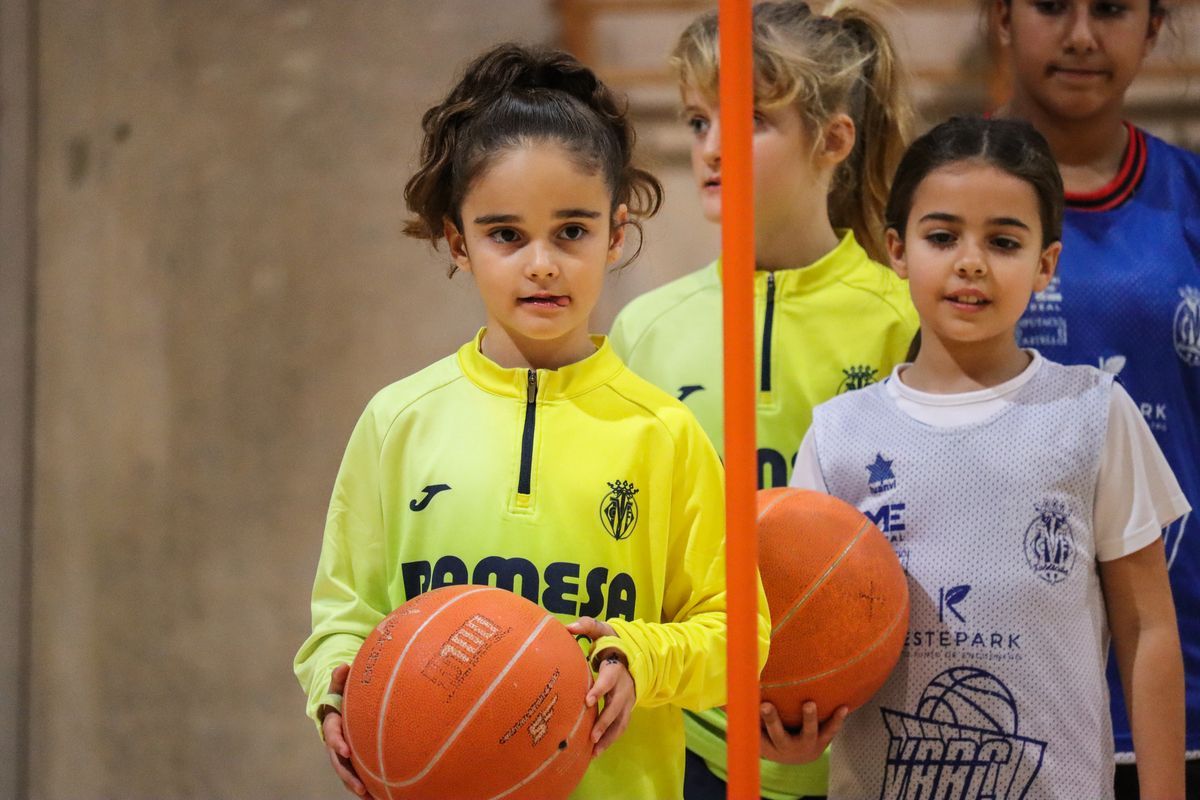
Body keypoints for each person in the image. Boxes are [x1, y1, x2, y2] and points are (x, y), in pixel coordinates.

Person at [293, 43, 770, 800]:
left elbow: (739, 638)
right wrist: (334, 685)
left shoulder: (663, 433)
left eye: (571, 232)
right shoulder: (398, 422)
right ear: (458, 241)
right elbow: (344, 615)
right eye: (507, 235)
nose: (542, 263)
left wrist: (642, 657)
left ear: (615, 235)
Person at [780, 116, 1185, 798]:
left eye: (1003, 241)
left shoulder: (1094, 414)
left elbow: (1147, 630)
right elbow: (803, 644)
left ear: (1046, 265)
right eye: (942, 237)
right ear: (897, 249)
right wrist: (789, 719)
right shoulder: (839, 434)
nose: (971, 262)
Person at [608, 2, 918, 797]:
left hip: (863, 738)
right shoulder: (646, 329)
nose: (709, 147)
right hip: (693, 743)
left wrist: (839, 674)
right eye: (697, 120)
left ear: (833, 140)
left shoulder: (901, 318)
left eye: (748, 121)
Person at [988, 1, 1200, 793]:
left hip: (1174, 675)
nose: (1081, 35)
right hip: (990, 680)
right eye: (1052, 6)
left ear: (1152, 26)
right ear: (1004, 17)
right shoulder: (938, 202)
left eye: (1111, 9)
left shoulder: (1188, 200)